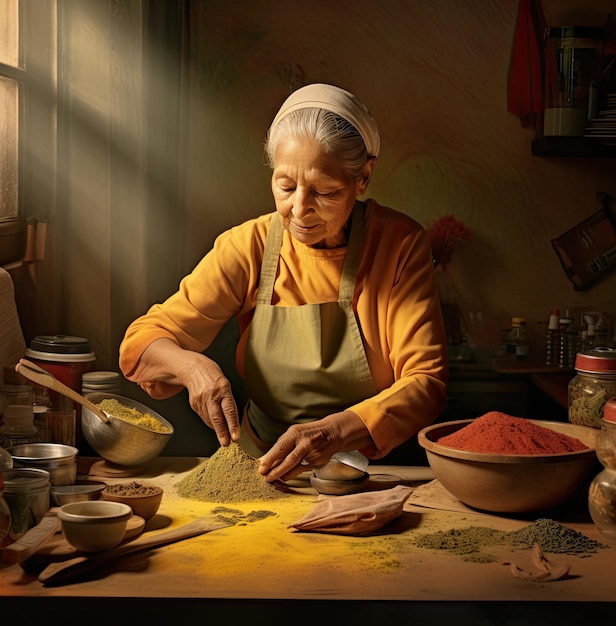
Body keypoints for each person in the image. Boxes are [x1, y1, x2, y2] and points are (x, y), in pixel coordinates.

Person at [119, 83, 448, 483]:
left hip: (368, 473)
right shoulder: (249, 245)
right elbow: (141, 345)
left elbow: (426, 381)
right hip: (261, 471)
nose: (299, 209)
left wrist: (335, 432)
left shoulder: (399, 245)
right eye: (286, 186)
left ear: (363, 177)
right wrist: (194, 369)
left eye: (325, 191)